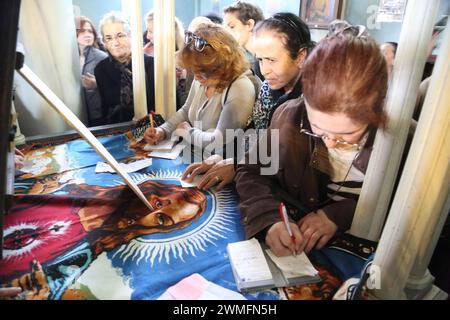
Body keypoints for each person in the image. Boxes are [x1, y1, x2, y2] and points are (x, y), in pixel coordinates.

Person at [234, 32, 388, 257]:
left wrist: (340, 215)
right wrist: (268, 218)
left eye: (348, 134)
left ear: (376, 111)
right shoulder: (289, 117)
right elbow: (252, 171)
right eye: (319, 129)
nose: (332, 143)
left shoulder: (405, 142)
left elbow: (407, 208)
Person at [182, 13, 314, 190]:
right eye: (260, 59)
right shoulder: (268, 88)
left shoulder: (314, 101)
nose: (265, 70)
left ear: (300, 56)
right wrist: (224, 157)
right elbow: (255, 139)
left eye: (272, 60)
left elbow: (289, 163)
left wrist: (237, 166)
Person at [143, 24, 257, 160]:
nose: (196, 77)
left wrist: (188, 133)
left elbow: (221, 142)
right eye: (193, 71)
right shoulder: (202, 78)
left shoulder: (240, 87)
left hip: (217, 166)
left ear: (223, 66)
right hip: (193, 156)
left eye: (202, 72)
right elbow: (186, 111)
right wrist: (163, 130)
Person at [95, 11, 155, 125]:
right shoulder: (100, 69)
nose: (115, 43)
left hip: (151, 130)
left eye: (120, 35)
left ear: (131, 36)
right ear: (104, 43)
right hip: (117, 131)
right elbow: (105, 110)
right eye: (109, 38)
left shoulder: (150, 64)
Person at [75, 16, 108, 127]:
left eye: (90, 31)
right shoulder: (67, 57)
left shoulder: (101, 57)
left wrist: (96, 84)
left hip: (97, 114)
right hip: (75, 112)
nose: (88, 34)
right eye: (83, 31)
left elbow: (114, 88)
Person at [223, 1, 265, 80]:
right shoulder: (243, 58)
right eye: (225, 28)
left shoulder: (265, 59)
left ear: (249, 24)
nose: (227, 32)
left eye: (232, 27)